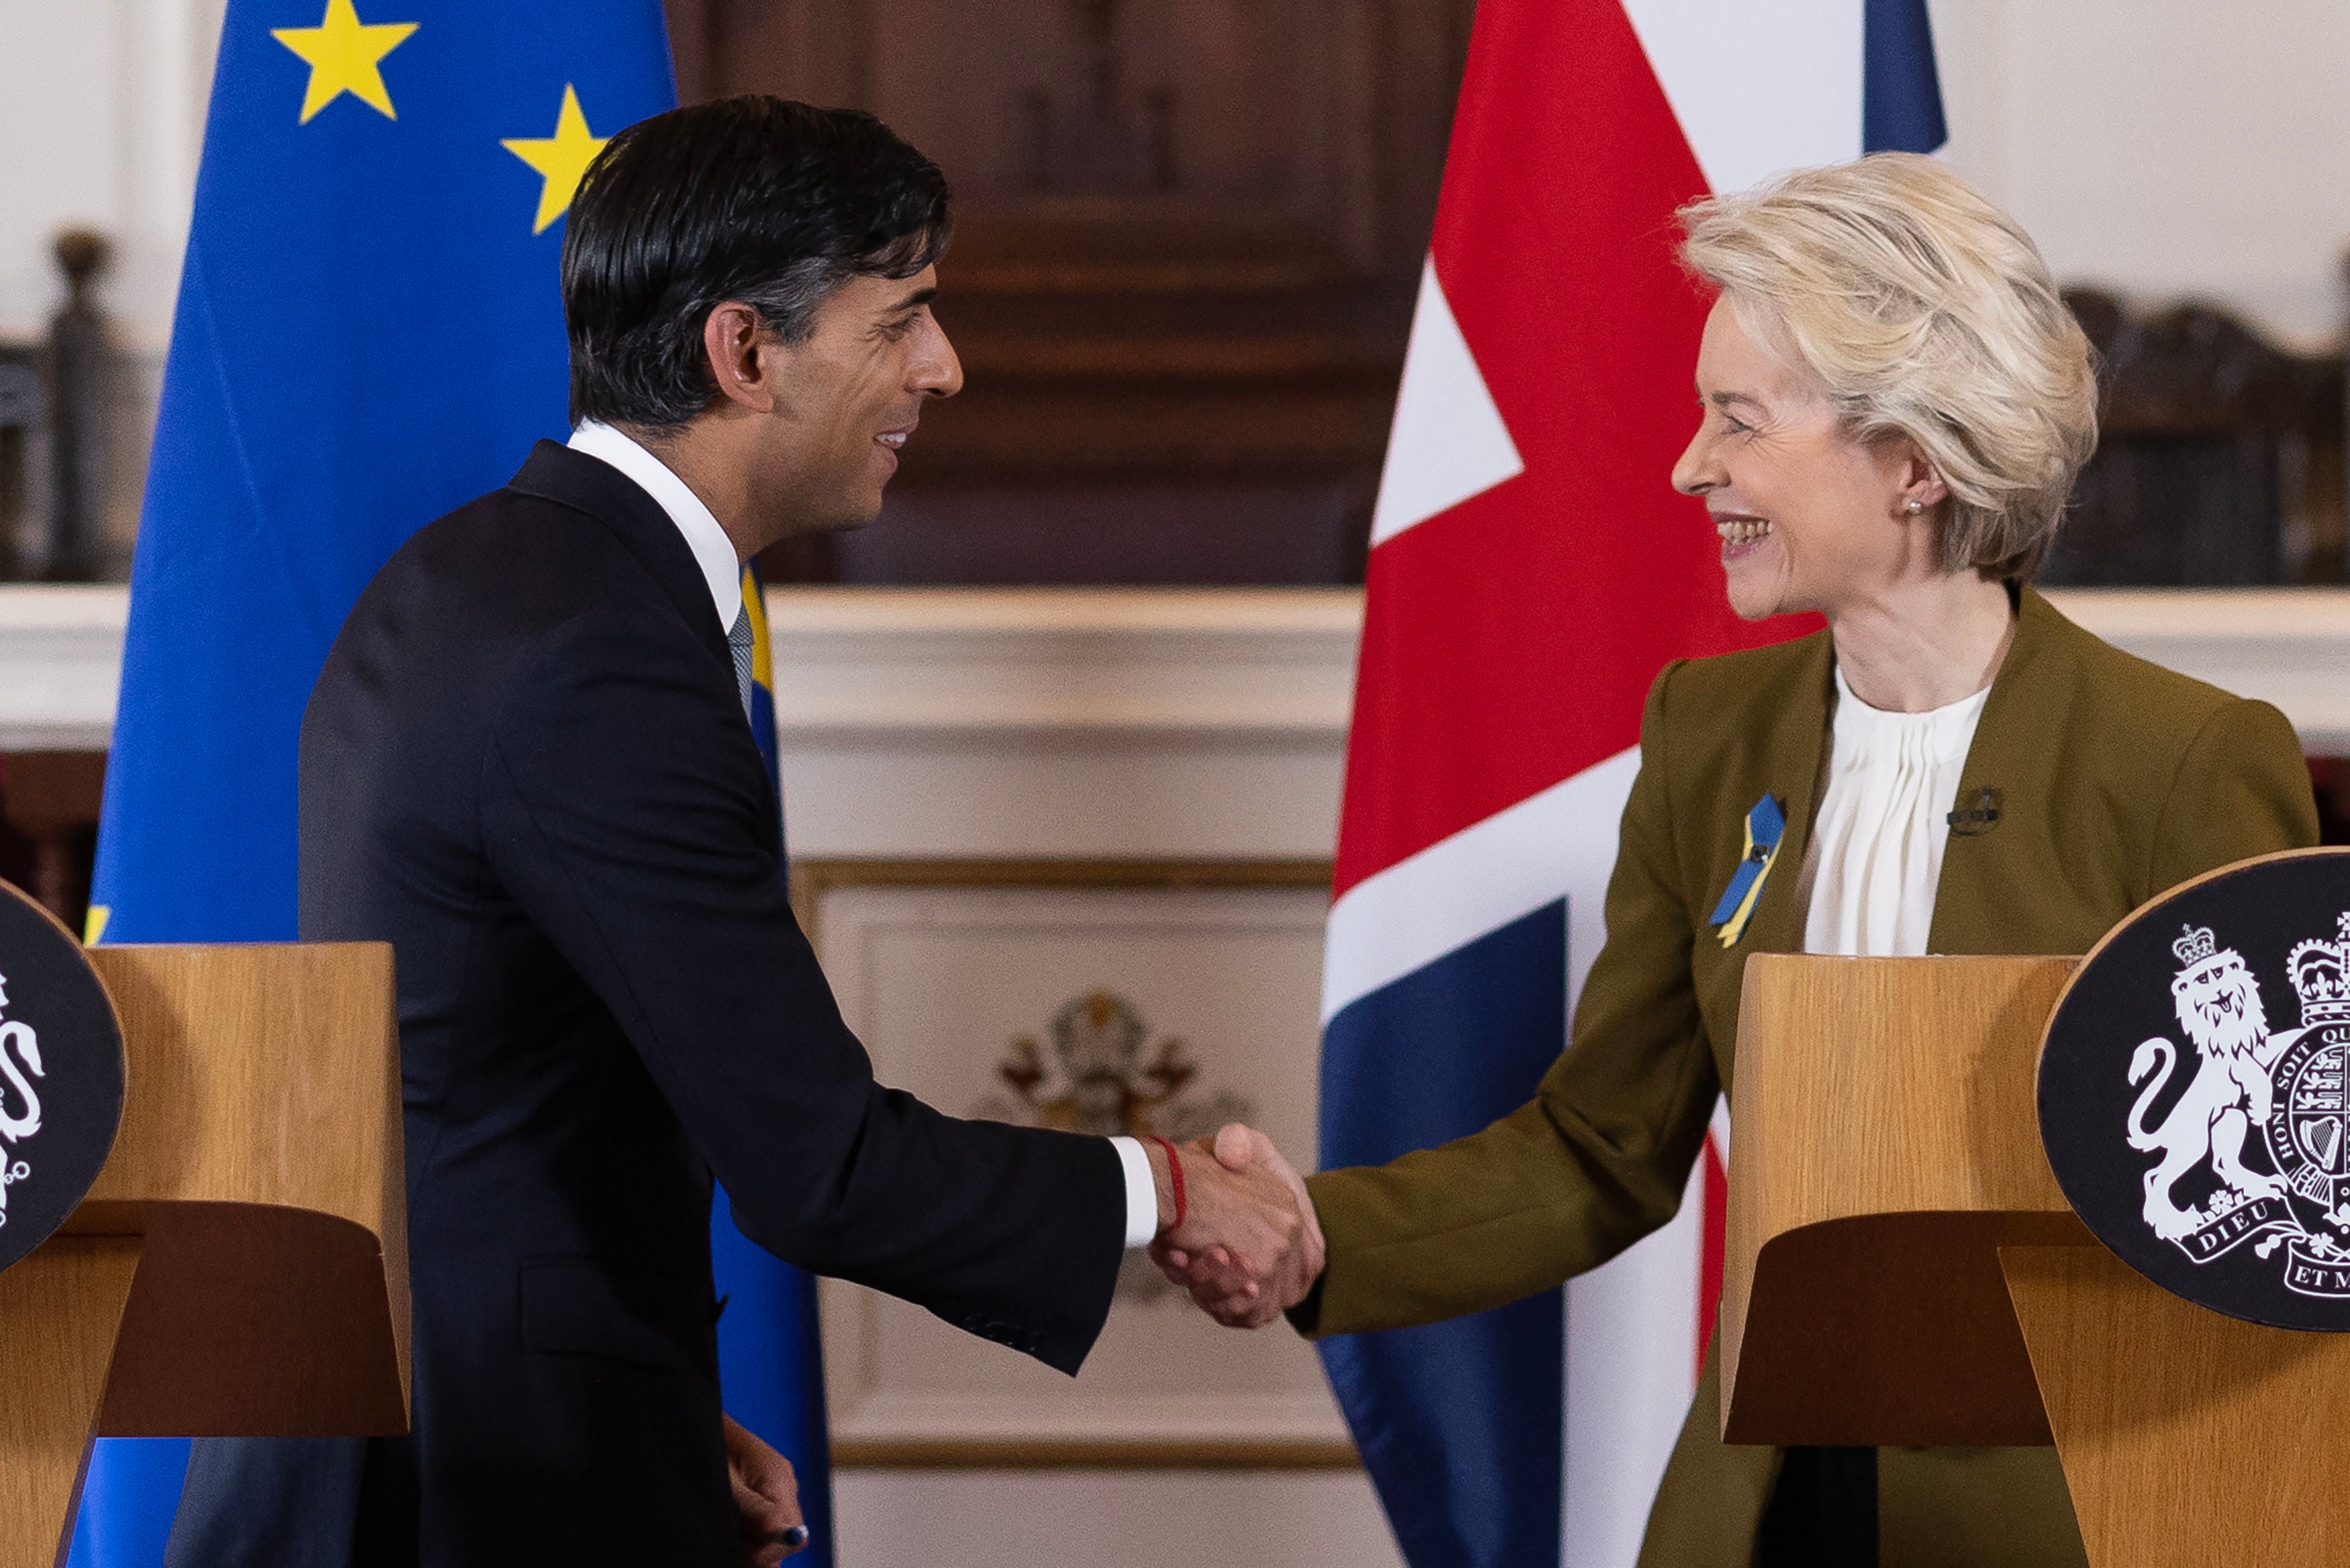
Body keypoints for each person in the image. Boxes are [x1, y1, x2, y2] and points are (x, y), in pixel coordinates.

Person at [166, 97, 1319, 1568]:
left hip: (431, 1429)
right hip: (472, 1492)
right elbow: (820, 1164)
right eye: (901, 317)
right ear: (746, 351)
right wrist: (1165, 1184)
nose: (944, 367)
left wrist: (635, 1401)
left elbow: (477, 1097)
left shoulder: (475, 575)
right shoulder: (598, 648)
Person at [1159, 153, 2320, 1567]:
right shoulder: (1708, 735)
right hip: (1762, 1510)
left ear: (1911, 461)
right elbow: (1603, 1149)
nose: (1689, 465)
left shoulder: (2185, 760)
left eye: (1738, 422)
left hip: (2073, 1517)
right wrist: (1313, 1232)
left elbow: (2282, 1213)